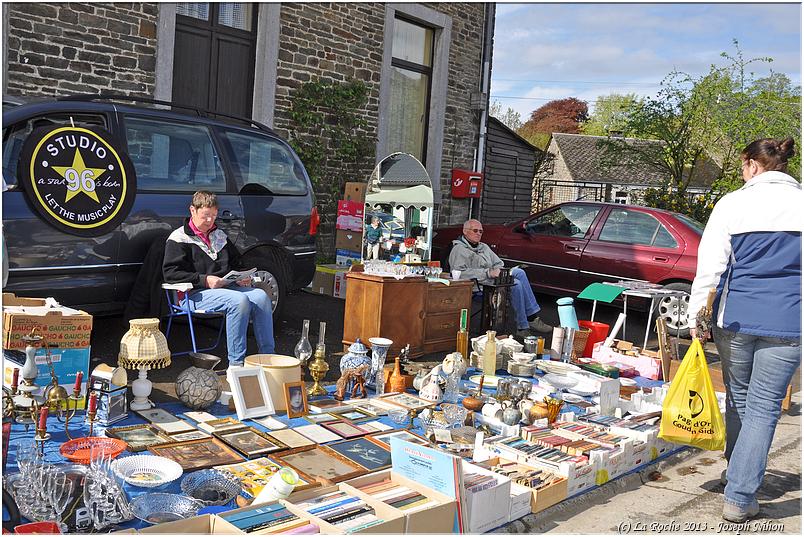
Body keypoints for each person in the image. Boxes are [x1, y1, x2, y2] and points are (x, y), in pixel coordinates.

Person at [688, 138, 801, 524]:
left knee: (740, 399)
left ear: (752, 164)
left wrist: (694, 316)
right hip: (789, 321)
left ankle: (736, 485)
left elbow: (710, 268)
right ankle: (739, 488)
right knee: (764, 406)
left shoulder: (733, 203)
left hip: (735, 318)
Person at [163, 191, 275, 369]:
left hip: (225, 289)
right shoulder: (178, 239)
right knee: (239, 301)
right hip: (192, 294)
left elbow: (237, 262)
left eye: (214, 216)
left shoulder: (219, 235)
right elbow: (170, 274)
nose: (210, 221)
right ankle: (236, 365)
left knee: (261, 296)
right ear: (192, 210)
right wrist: (204, 280)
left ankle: (268, 358)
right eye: (205, 216)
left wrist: (241, 276)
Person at [449, 219, 552, 337]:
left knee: (519, 272)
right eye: (475, 230)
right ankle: (524, 325)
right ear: (465, 231)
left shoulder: (484, 247)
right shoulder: (459, 249)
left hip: (493, 280)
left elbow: (499, 263)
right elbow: (459, 273)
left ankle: (531, 318)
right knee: (516, 284)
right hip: (479, 285)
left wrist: (495, 271)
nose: (478, 233)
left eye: (481, 231)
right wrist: (487, 272)